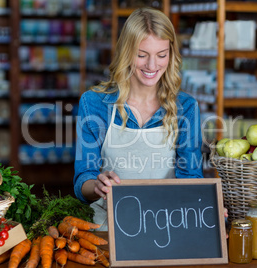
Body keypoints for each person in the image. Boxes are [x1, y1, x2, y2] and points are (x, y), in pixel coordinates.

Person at [74, 7, 205, 231]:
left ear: (171, 54)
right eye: (142, 55)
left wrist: (205, 206)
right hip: (107, 231)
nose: (152, 66)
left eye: (161, 55)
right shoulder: (93, 104)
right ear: (126, 52)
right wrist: (97, 184)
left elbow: (190, 177)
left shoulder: (186, 108)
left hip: (167, 229)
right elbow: (83, 178)